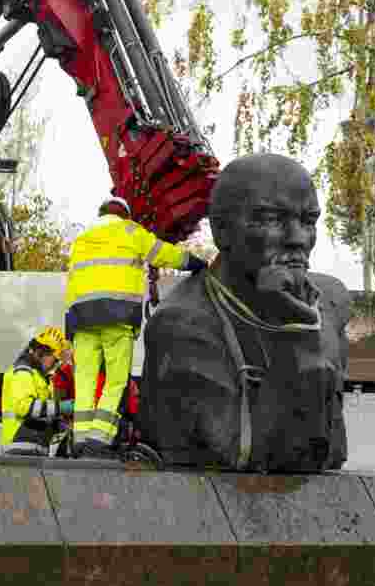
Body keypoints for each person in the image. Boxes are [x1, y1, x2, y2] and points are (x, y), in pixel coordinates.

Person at [139, 153, 352, 473]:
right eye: (271, 219)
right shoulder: (184, 327)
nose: (298, 239)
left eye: (308, 221)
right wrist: (297, 336)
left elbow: (328, 452)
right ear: (221, 230)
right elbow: (240, 454)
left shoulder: (330, 304)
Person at [64, 196, 207, 459]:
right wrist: (195, 263)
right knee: (115, 381)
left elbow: (72, 281)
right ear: (125, 214)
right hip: (116, 317)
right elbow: (164, 253)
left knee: (84, 381)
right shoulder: (130, 231)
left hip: (81, 320)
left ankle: (79, 440)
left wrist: (69, 323)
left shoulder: (81, 240)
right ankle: (97, 440)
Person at [0, 326, 75, 456]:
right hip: (20, 448)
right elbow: (24, 407)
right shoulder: (22, 373)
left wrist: (61, 424)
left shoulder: (40, 378)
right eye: (54, 359)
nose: (55, 364)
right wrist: (62, 407)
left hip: (33, 447)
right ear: (41, 352)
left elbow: (43, 414)